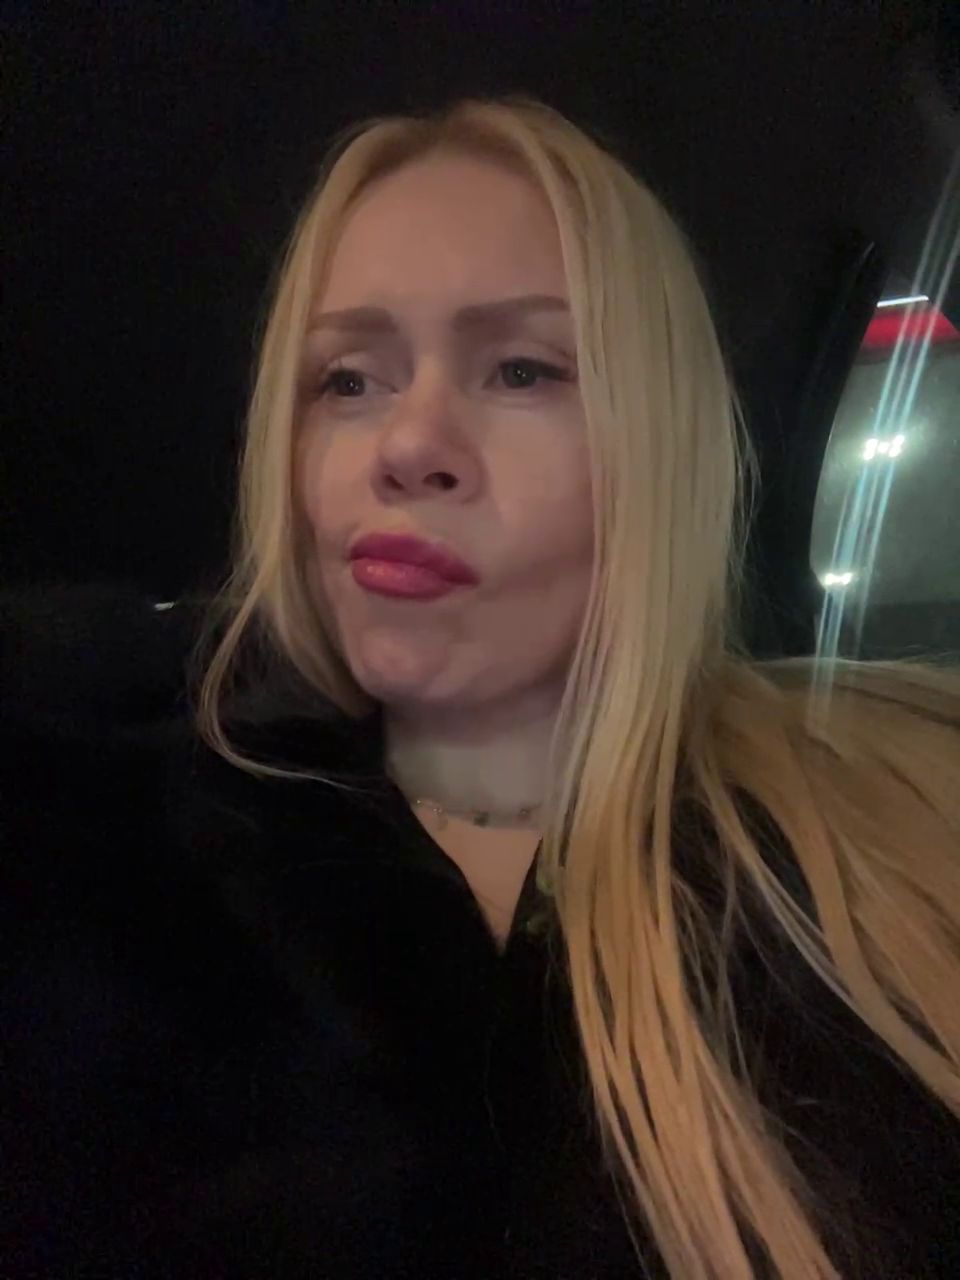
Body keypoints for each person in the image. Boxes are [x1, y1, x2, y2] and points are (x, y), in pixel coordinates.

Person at [2, 96, 958, 1280]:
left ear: (656, 443)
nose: (408, 444)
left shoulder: (909, 820)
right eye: (347, 380)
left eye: (521, 368)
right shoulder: (97, 868)